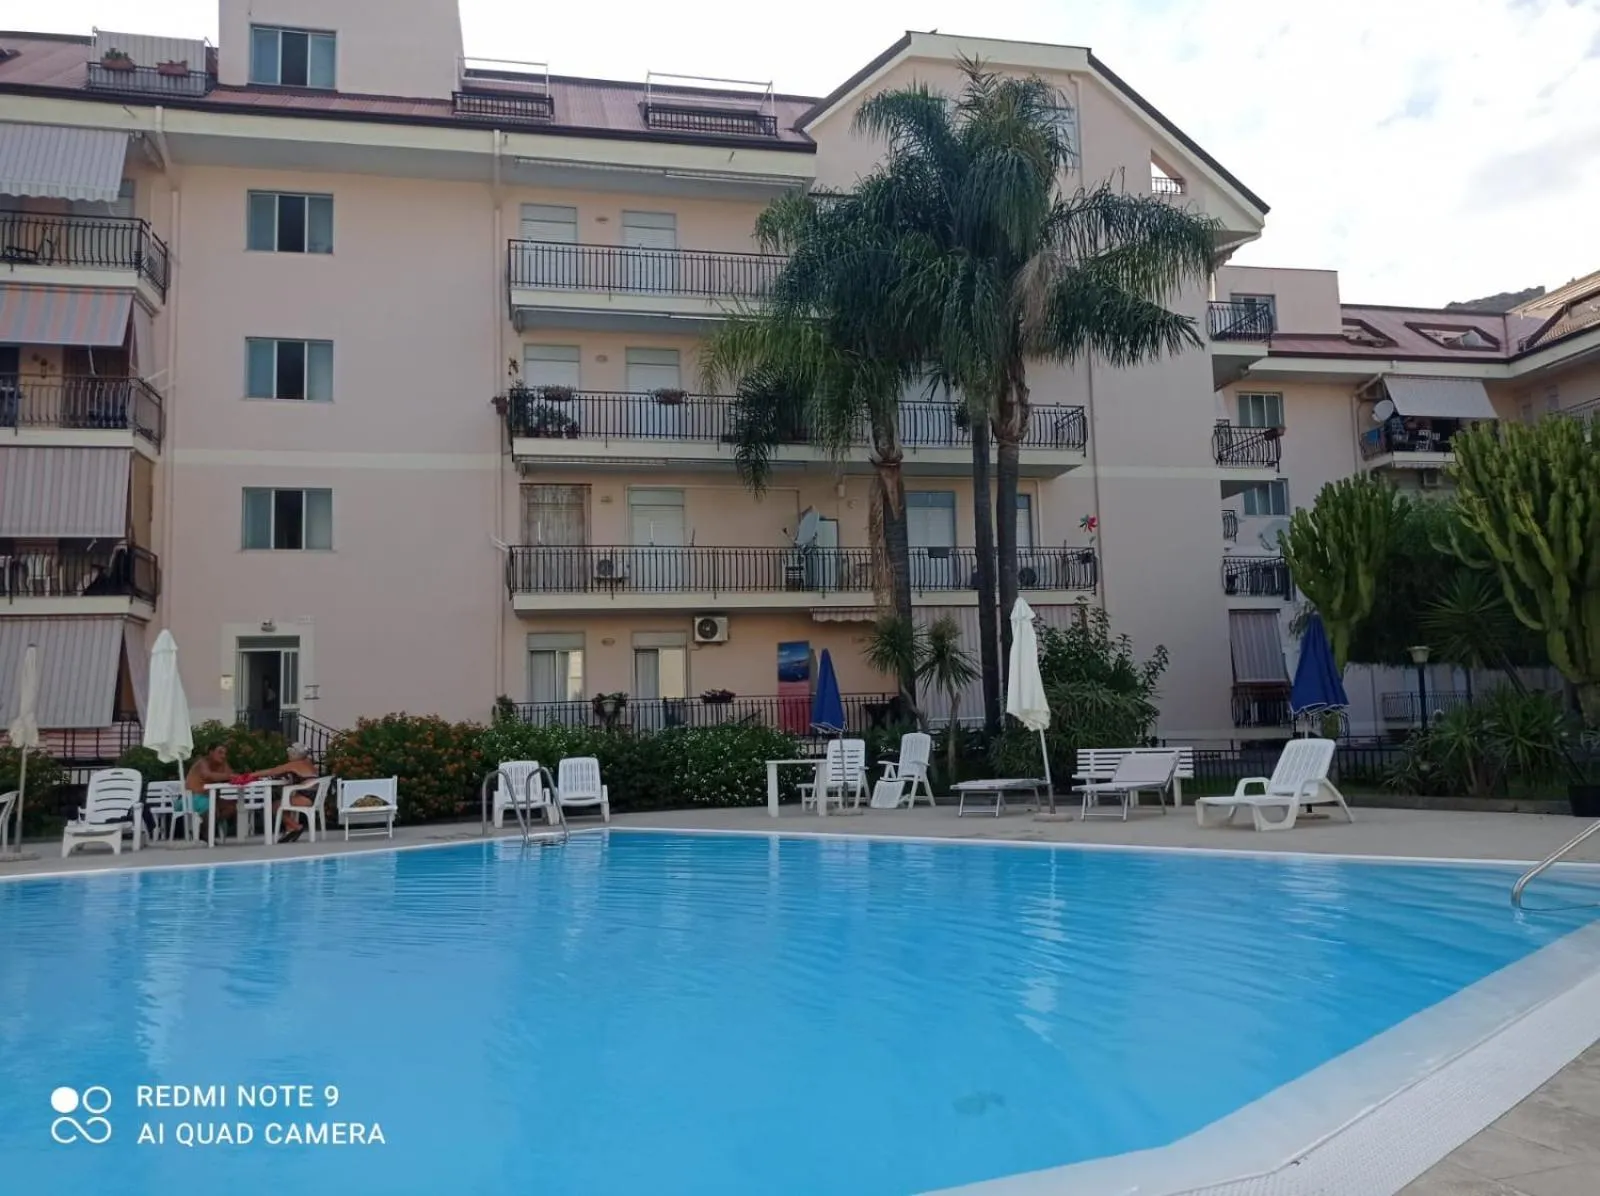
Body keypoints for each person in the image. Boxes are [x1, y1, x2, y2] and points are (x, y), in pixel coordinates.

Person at [255, 744, 321, 843]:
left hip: (306, 798)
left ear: (295, 755)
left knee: (274, 806)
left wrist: (250, 775)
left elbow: (272, 771)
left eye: (289, 754)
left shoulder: (295, 764)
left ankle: (296, 827)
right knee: (284, 800)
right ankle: (289, 830)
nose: (288, 756)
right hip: (314, 796)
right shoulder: (308, 763)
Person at [184, 742, 234, 840]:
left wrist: (229, 775)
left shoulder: (222, 764)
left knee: (231, 807)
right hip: (192, 798)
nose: (223, 756)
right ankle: (206, 834)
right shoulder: (202, 763)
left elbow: (230, 775)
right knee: (210, 807)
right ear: (211, 752)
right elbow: (208, 775)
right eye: (220, 752)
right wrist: (228, 776)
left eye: (225, 753)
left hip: (212, 798)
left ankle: (205, 828)